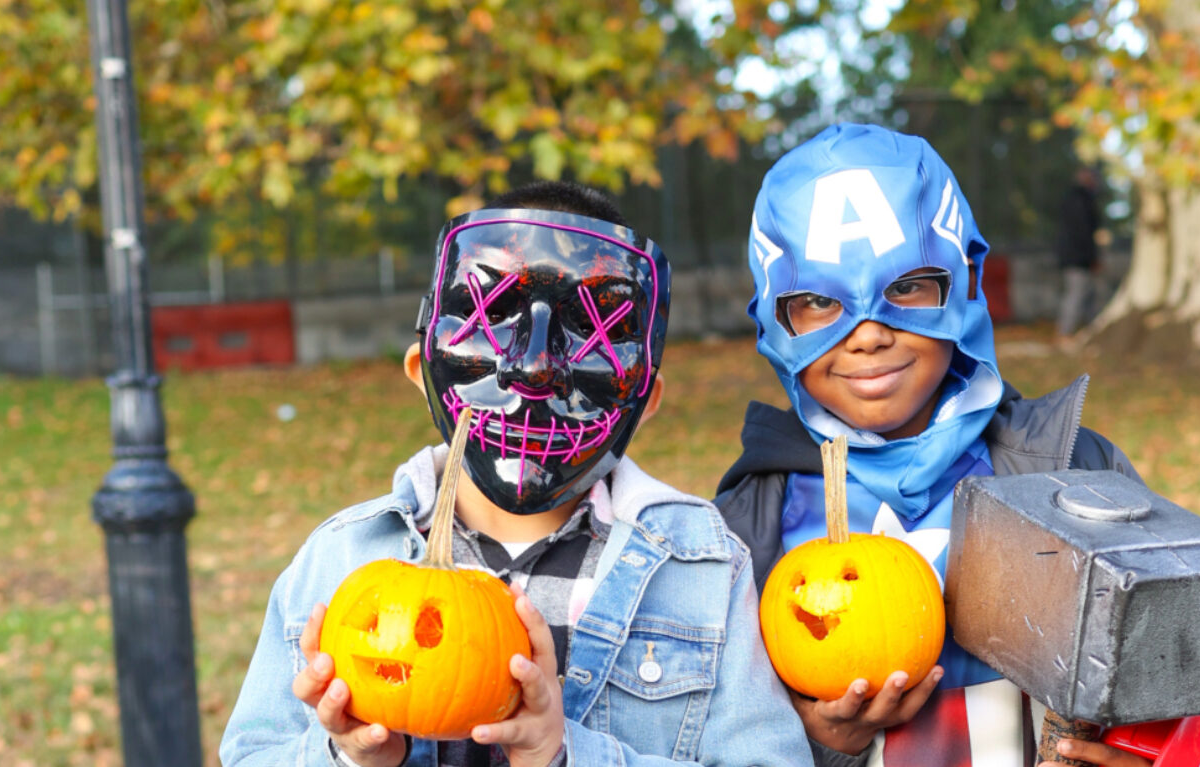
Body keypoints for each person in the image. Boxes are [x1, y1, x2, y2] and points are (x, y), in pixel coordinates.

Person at [221, 181, 815, 767]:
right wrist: (351, 757)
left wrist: (563, 756)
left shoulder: (701, 567)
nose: (533, 368)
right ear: (418, 367)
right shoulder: (337, 561)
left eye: (595, 325)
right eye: (494, 311)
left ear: (648, 396)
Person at [713, 124, 1148, 767]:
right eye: (816, 302)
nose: (866, 336)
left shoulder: (1076, 469)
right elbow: (716, 740)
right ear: (773, 318)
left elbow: (1163, 677)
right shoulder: (750, 517)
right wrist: (817, 740)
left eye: (907, 288)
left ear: (966, 278)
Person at [1055, 165, 1103, 340]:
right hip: (1077, 259)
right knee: (1076, 295)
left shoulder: (1077, 199)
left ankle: (1091, 331)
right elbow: (1083, 233)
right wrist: (1092, 258)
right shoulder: (1080, 201)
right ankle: (1065, 333)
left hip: (1076, 257)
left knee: (1088, 295)